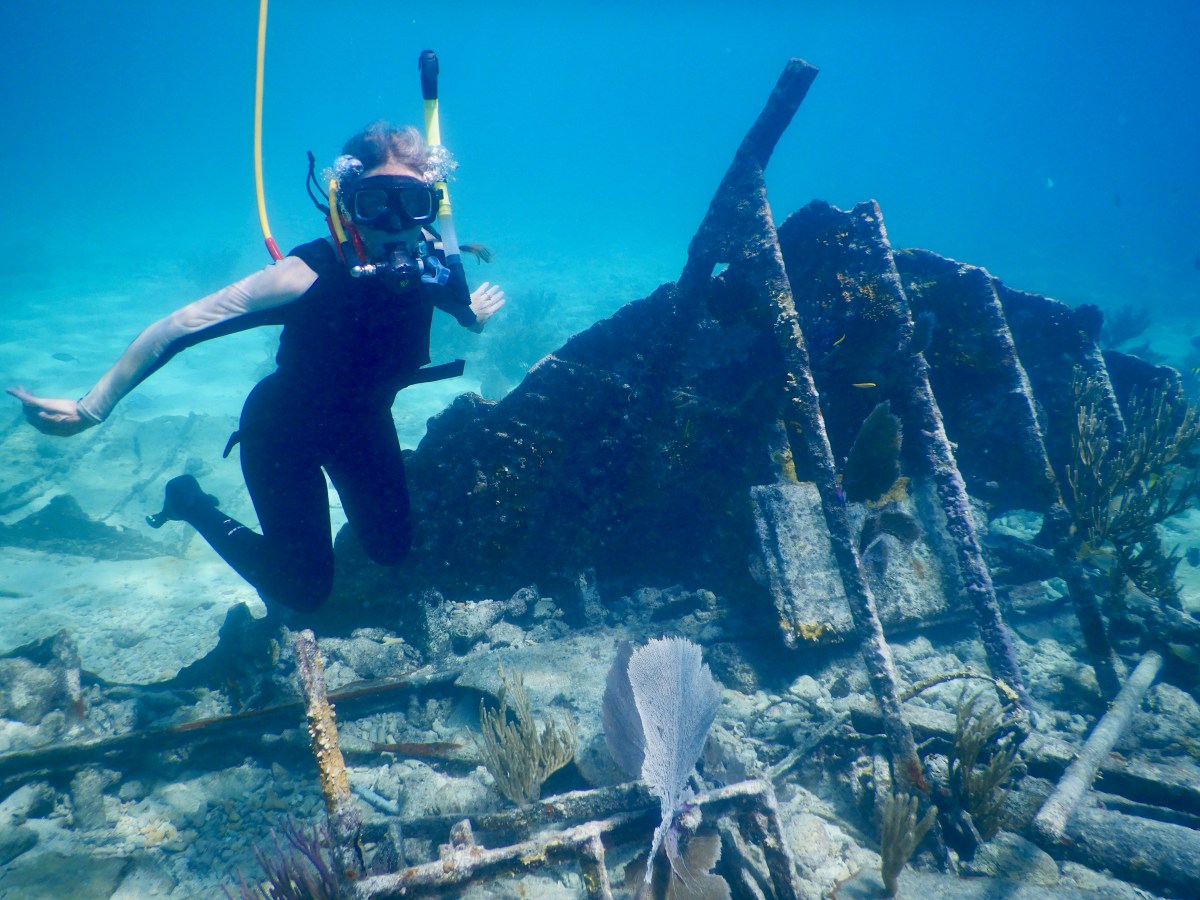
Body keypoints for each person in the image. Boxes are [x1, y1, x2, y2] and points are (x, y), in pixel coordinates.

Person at [7, 122, 505, 614]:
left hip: (363, 424)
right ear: (346, 205)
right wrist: (90, 408)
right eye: (374, 203)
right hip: (282, 432)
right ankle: (190, 503)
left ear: (432, 206)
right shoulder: (302, 275)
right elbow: (176, 328)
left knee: (391, 550)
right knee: (303, 590)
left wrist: (472, 317)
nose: (394, 224)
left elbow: (456, 305)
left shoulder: (430, 261)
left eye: (412, 203)